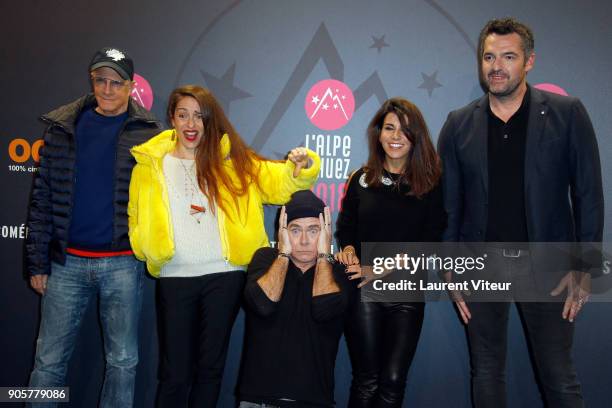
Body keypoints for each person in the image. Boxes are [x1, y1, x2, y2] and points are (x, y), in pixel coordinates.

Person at [437, 17, 603, 408]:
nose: (496, 66)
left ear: (529, 61)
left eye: (508, 56)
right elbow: (448, 204)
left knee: (559, 376)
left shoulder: (568, 113)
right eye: (489, 56)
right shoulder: (459, 124)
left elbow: (588, 193)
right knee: (487, 372)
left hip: (549, 264)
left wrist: (585, 265)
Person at [128, 85, 320, 407]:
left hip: (225, 276)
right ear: (172, 119)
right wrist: (144, 245)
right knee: (174, 373)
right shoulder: (150, 164)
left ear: (210, 120)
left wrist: (301, 167)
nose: (191, 124)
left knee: (210, 369)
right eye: (183, 115)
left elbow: (280, 183)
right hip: (174, 277)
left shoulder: (233, 161)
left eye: (199, 116)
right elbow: (136, 213)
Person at [26, 47, 161, 407]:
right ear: (92, 81)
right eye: (100, 80)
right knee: (48, 362)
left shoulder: (149, 135)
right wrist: (37, 262)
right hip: (64, 263)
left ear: (130, 86)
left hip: (122, 264)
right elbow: (42, 198)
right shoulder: (62, 128)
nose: (107, 88)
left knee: (122, 362)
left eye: (115, 82)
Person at [335, 97, 446, 407]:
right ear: (378, 133)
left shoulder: (431, 182)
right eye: (389, 128)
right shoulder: (362, 179)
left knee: (393, 381)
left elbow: (432, 239)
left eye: (405, 130)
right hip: (364, 288)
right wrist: (346, 251)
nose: (396, 137)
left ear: (416, 137)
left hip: (406, 291)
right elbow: (346, 228)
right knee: (367, 380)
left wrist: (381, 268)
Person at [237, 190, 350, 407]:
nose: (305, 240)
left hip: (313, 400)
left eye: (314, 230)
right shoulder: (265, 259)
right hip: (257, 399)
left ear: (326, 232)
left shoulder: (338, 270)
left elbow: (324, 309)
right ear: (283, 232)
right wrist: (283, 254)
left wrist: (325, 255)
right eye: (295, 230)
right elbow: (263, 305)